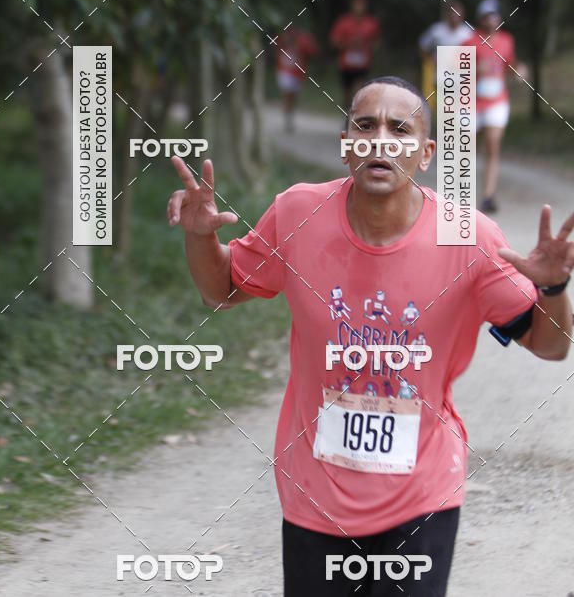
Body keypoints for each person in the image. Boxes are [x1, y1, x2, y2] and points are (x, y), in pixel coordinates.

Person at [167, 75, 573, 596]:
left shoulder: (467, 238)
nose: (381, 140)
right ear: (346, 147)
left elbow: (552, 343)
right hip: (315, 495)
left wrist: (555, 287)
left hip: (422, 493)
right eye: (365, 125)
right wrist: (202, 238)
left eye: (399, 129)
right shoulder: (297, 213)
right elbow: (221, 290)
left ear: (425, 154)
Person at [464, 0, 527, 214]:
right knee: (467, 149)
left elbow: (509, 64)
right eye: (486, 15)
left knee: (493, 145)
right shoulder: (470, 42)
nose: (491, 19)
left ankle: (488, 196)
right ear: (480, 19)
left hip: (497, 102)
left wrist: (519, 71)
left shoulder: (507, 40)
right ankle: (462, 196)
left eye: (494, 15)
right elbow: (454, 72)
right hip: (472, 104)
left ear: (499, 18)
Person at [329, 0, 381, 109]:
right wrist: (348, 44)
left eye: (361, 5)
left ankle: (355, 115)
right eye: (357, 5)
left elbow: (376, 42)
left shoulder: (371, 23)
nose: (359, 8)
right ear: (352, 6)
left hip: (362, 65)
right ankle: (346, 115)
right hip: (346, 65)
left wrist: (367, 46)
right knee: (346, 94)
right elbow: (334, 42)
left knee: (359, 91)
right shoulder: (343, 22)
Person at [418, 1, 471, 111]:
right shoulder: (437, 30)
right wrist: (430, 62)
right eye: (452, 13)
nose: (454, 17)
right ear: (448, 14)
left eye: (457, 14)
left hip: (460, 76)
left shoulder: (468, 33)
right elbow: (423, 46)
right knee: (442, 107)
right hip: (439, 75)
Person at [275, 25, 319, 132]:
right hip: (284, 71)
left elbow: (313, 52)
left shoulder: (303, 39)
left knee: (293, 97)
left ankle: (290, 115)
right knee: (287, 94)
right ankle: (287, 119)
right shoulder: (280, 36)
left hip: (297, 73)